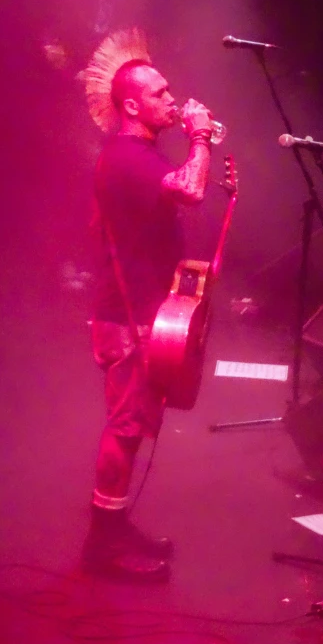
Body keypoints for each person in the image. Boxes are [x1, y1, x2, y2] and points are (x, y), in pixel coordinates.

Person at [80, 29, 213, 581]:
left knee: (132, 429)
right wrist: (200, 138)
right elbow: (190, 188)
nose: (171, 98)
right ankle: (100, 548)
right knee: (124, 426)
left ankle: (112, 526)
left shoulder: (138, 155)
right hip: (127, 319)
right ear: (132, 105)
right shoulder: (127, 157)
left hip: (140, 314)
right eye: (159, 93)